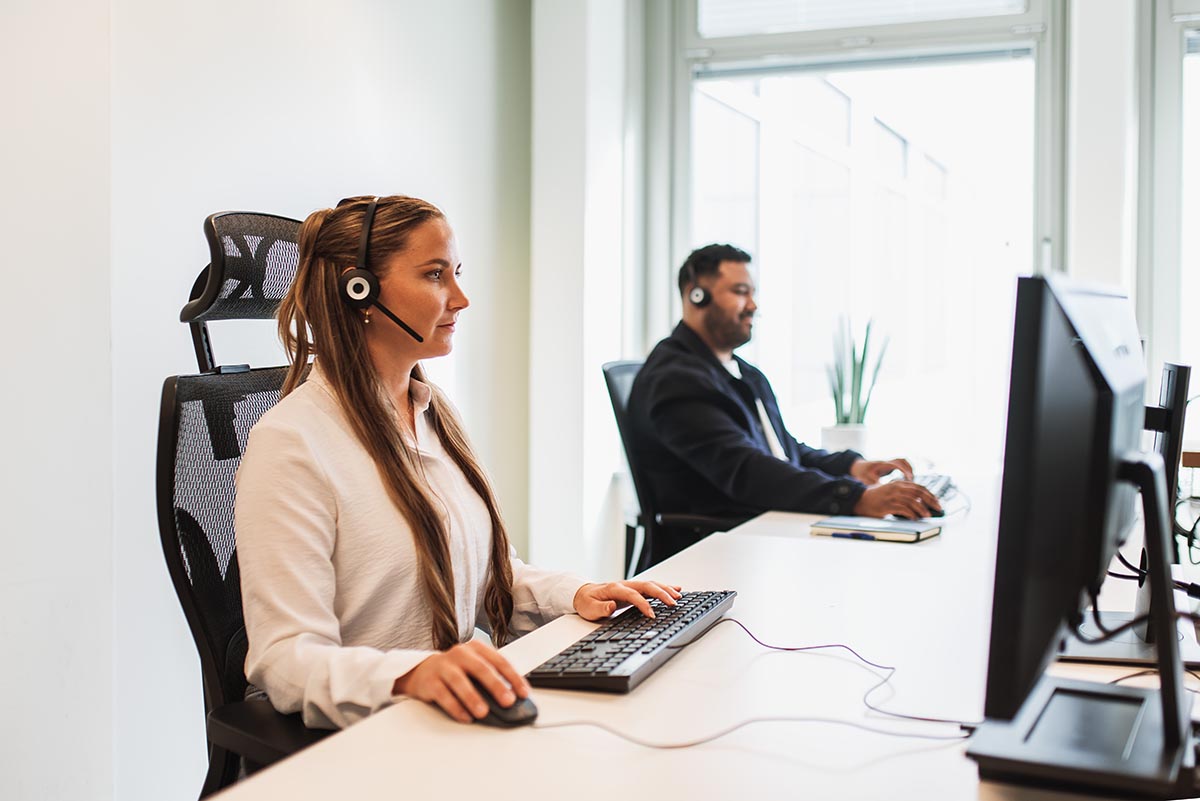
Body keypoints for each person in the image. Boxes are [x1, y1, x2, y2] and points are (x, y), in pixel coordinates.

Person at [235, 195, 681, 729]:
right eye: (434, 275)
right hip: (375, 738)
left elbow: (489, 576)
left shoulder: (433, 411)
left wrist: (578, 594)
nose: (461, 298)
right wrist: (411, 675)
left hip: (459, 718)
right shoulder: (292, 444)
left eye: (456, 273)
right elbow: (284, 660)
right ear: (361, 291)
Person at [626, 243, 941, 563]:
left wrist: (852, 467)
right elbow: (747, 470)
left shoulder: (744, 374)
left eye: (753, 292)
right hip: (716, 554)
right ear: (697, 296)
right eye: (740, 291)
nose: (752, 304)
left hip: (764, 535)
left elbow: (785, 451)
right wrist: (857, 498)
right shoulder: (675, 380)